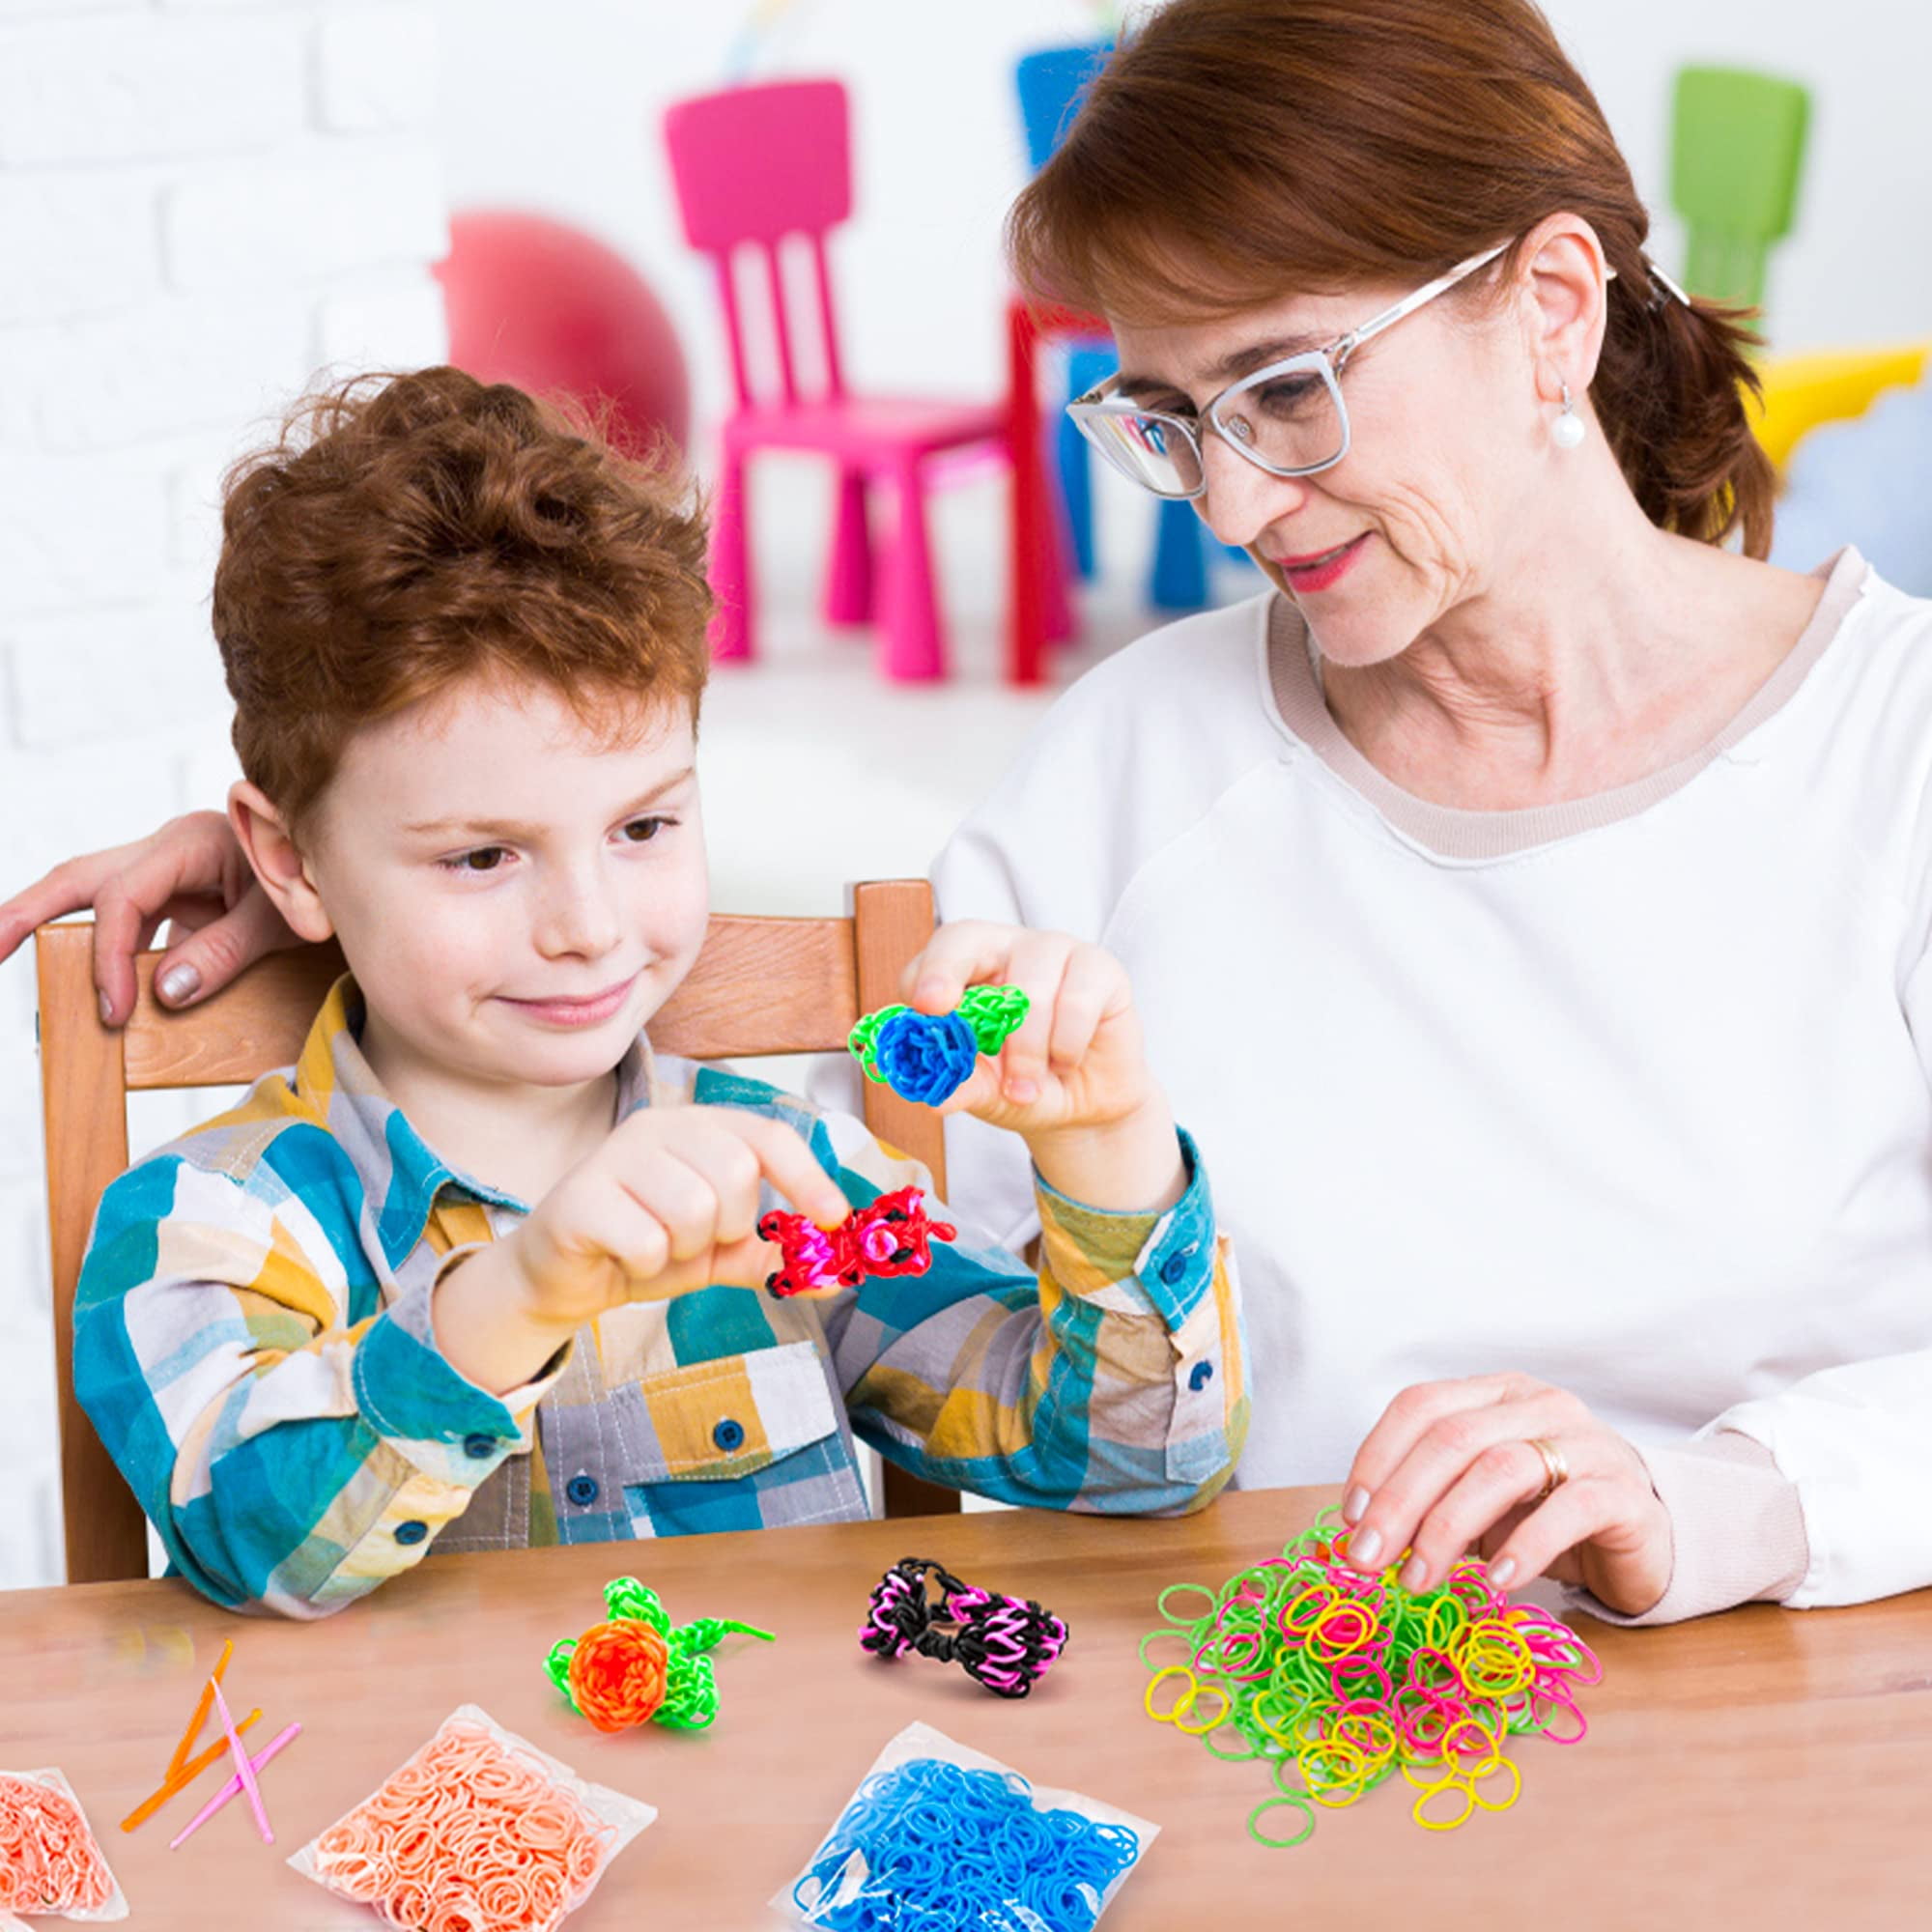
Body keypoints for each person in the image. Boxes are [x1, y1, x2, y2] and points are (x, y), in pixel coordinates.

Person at [10, 0, 1925, 1627]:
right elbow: (1016, 1341)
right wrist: (358, 855)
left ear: (1550, 308)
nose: (1234, 512)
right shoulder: (1118, 770)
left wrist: (1734, 1503)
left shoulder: (1888, 755)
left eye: (1281, 389)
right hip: (1264, 1730)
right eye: (1169, 420)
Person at [55, 368, 1244, 1618]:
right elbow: (251, 1539)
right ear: (290, 859)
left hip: (786, 1804)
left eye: (644, 825)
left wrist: (1109, 1144)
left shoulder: (794, 1180)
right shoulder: (210, 1224)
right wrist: (518, 1294)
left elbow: (1134, 1463)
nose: (590, 928)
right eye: (480, 857)